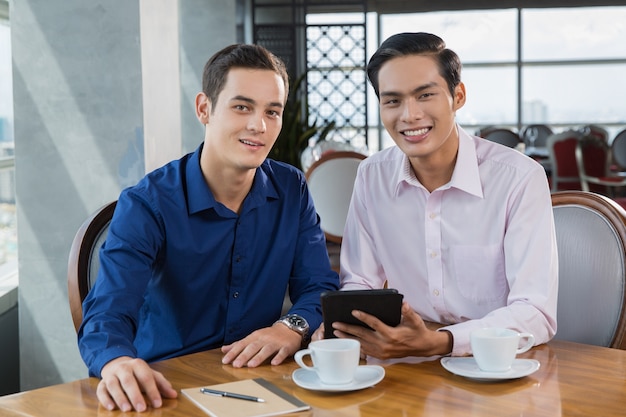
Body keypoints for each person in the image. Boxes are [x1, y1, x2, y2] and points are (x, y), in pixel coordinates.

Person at [78, 43, 339, 412]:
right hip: (166, 387)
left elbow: (319, 287)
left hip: (262, 382)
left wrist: (290, 327)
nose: (258, 125)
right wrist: (116, 362)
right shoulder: (146, 203)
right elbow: (107, 311)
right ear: (205, 108)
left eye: (272, 111)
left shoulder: (291, 189)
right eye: (242, 106)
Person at [312, 32, 558, 360]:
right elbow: (359, 283)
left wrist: (442, 342)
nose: (410, 115)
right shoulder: (372, 176)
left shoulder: (518, 178)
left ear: (458, 96)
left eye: (425, 95)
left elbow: (535, 313)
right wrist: (343, 328)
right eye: (393, 100)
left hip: (500, 363)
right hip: (408, 361)